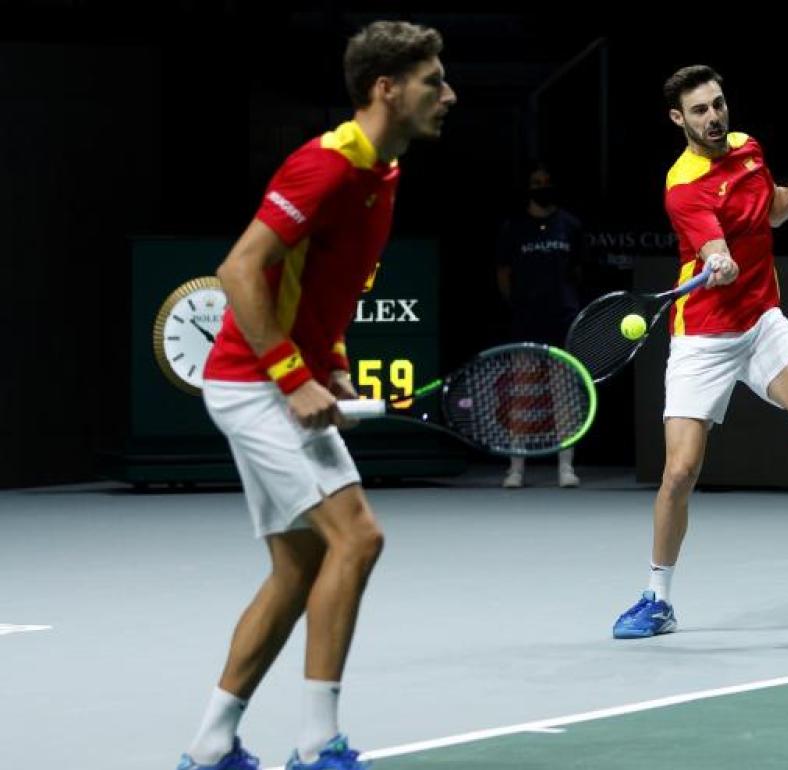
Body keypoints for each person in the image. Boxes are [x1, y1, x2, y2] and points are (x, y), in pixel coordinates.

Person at [177, 21, 456, 770]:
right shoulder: (325, 167)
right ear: (385, 89)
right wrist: (291, 378)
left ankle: (209, 747)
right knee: (358, 538)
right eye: (433, 81)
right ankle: (317, 745)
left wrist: (328, 360)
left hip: (273, 376)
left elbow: (320, 286)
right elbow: (240, 269)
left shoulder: (384, 175)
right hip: (248, 382)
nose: (449, 95)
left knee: (299, 568)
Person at [611, 65, 788, 640]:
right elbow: (712, 245)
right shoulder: (683, 186)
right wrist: (716, 259)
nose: (713, 117)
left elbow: (769, 211)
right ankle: (657, 600)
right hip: (704, 337)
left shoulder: (749, 148)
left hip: (761, 321)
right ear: (678, 119)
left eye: (718, 104)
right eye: (699, 110)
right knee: (679, 473)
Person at [495, 163, 585, 488]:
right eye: (536, 182)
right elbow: (504, 275)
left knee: (564, 395)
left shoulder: (570, 226)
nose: (542, 187)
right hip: (526, 320)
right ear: (528, 187)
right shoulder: (514, 228)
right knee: (522, 394)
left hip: (563, 318)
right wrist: (520, 302)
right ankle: (515, 469)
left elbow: (578, 271)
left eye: (547, 182)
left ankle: (566, 468)